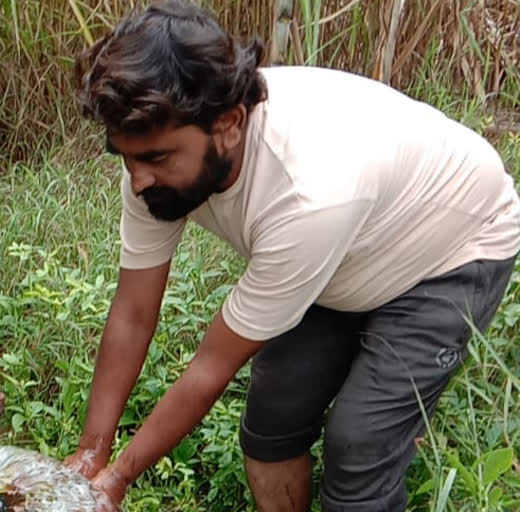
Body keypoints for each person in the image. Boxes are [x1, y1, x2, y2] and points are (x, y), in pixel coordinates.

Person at [62, 1, 520, 510]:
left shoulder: (306, 193)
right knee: (274, 415)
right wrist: (90, 455)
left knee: (359, 446)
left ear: (230, 124)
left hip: (449, 247)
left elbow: (210, 367)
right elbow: (132, 314)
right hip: (346, 247)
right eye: (123, 155)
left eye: (154, 158)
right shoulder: (154, 168)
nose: (137, 177)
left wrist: (119, 476)